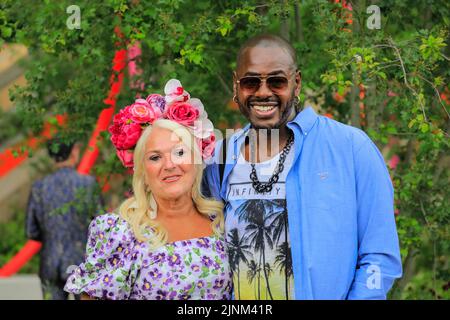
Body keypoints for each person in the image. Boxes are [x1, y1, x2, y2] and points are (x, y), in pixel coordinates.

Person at [203, 34, 403, 300]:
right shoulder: (219, 157)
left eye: (276, 81)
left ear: (296, 83)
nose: (263, 93)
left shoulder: (351, 148)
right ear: (236, 86)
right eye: (251, 82)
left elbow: (379, 255)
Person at [64, 79, 232, 300]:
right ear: (142, 171)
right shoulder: (122, 233)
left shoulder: (221, 222)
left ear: (196, 159)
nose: (169, 165)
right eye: (155, 157)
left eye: (179, 153)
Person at [26, 136, 104, 300]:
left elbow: (31, 230)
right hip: (82, 262)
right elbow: (101, 225)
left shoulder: (39, 187)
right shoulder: (88, 184)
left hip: (50, 262)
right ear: (74, 151)